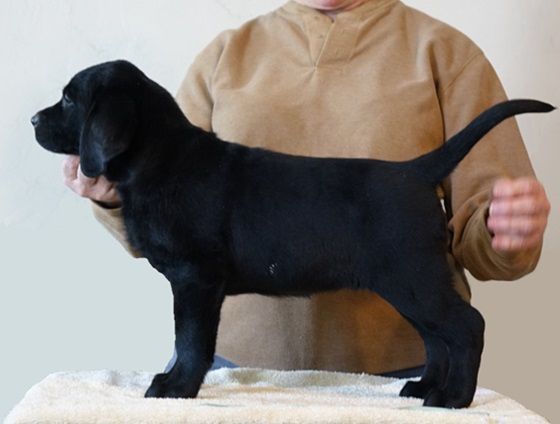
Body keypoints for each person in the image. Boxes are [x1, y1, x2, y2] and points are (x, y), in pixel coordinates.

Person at [62, 0, 550, 377]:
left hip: (398, 376)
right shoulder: (225, 55)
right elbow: (171, 221)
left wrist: (505, 229)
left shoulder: (447, 55)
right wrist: (112, 194)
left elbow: (484, 228)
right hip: (234, 375)